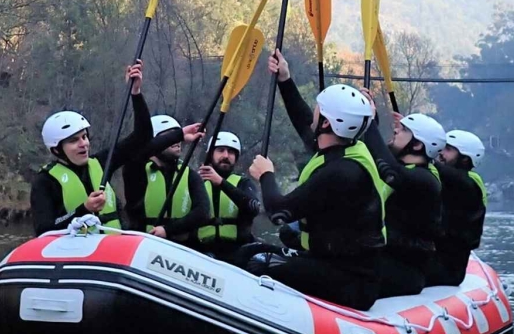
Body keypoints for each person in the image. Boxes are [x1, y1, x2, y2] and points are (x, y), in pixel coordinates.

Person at [244, 51, 386, 310]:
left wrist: (266, 175)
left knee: (260, 263)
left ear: (328, 124)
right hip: (334, 263)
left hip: (352, 281)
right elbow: (304, 124)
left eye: (319, 110)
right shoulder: (346, 149)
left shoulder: (341, 173)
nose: (314, 112)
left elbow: (278, 212)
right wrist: (285, 79)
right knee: (247, 252)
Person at [29, 61, 200, 235]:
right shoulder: (44, 182)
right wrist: (84, 209)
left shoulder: (102, 163)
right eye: (74, 141)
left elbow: (142, 137)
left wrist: (136, 93)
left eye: (84, 137)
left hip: (113, 249)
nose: (84, 144)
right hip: (77, 254)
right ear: (56, 150)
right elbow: (44, 229)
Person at [363, 110, 447, 296]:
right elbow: (377, 151)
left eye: (402, 130)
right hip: (383, 261)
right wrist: (370, 118)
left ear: (416, 145)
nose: (395, 131)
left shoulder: (425, 179)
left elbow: (389, 168)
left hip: (403, 274)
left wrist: (368, 120)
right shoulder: (407, 169)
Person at [123, 114, 211, 242]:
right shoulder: (137, 172)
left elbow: (203, 212)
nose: (177, 141)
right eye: (169, 137)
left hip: (180, 247)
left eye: (176, 135)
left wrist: (168, 230)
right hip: (143, 243)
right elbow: (138, 152)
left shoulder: (190, 175)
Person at [192, 131, 263, 265]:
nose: (226, 156)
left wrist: (221, 183)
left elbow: (253, 207)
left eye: (231, 152)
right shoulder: (195, 181)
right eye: (220, 150)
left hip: (236, 252)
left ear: (236, 157)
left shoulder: (243, 183)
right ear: (210, 154)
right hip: (202, 250)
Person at [432, 129, 488, 285]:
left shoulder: (467, 184)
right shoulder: (450, 180)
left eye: (448, 149)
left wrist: (419, 141)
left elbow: (435, 165)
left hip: (447, 270)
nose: (441, 152)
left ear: (464, 160)